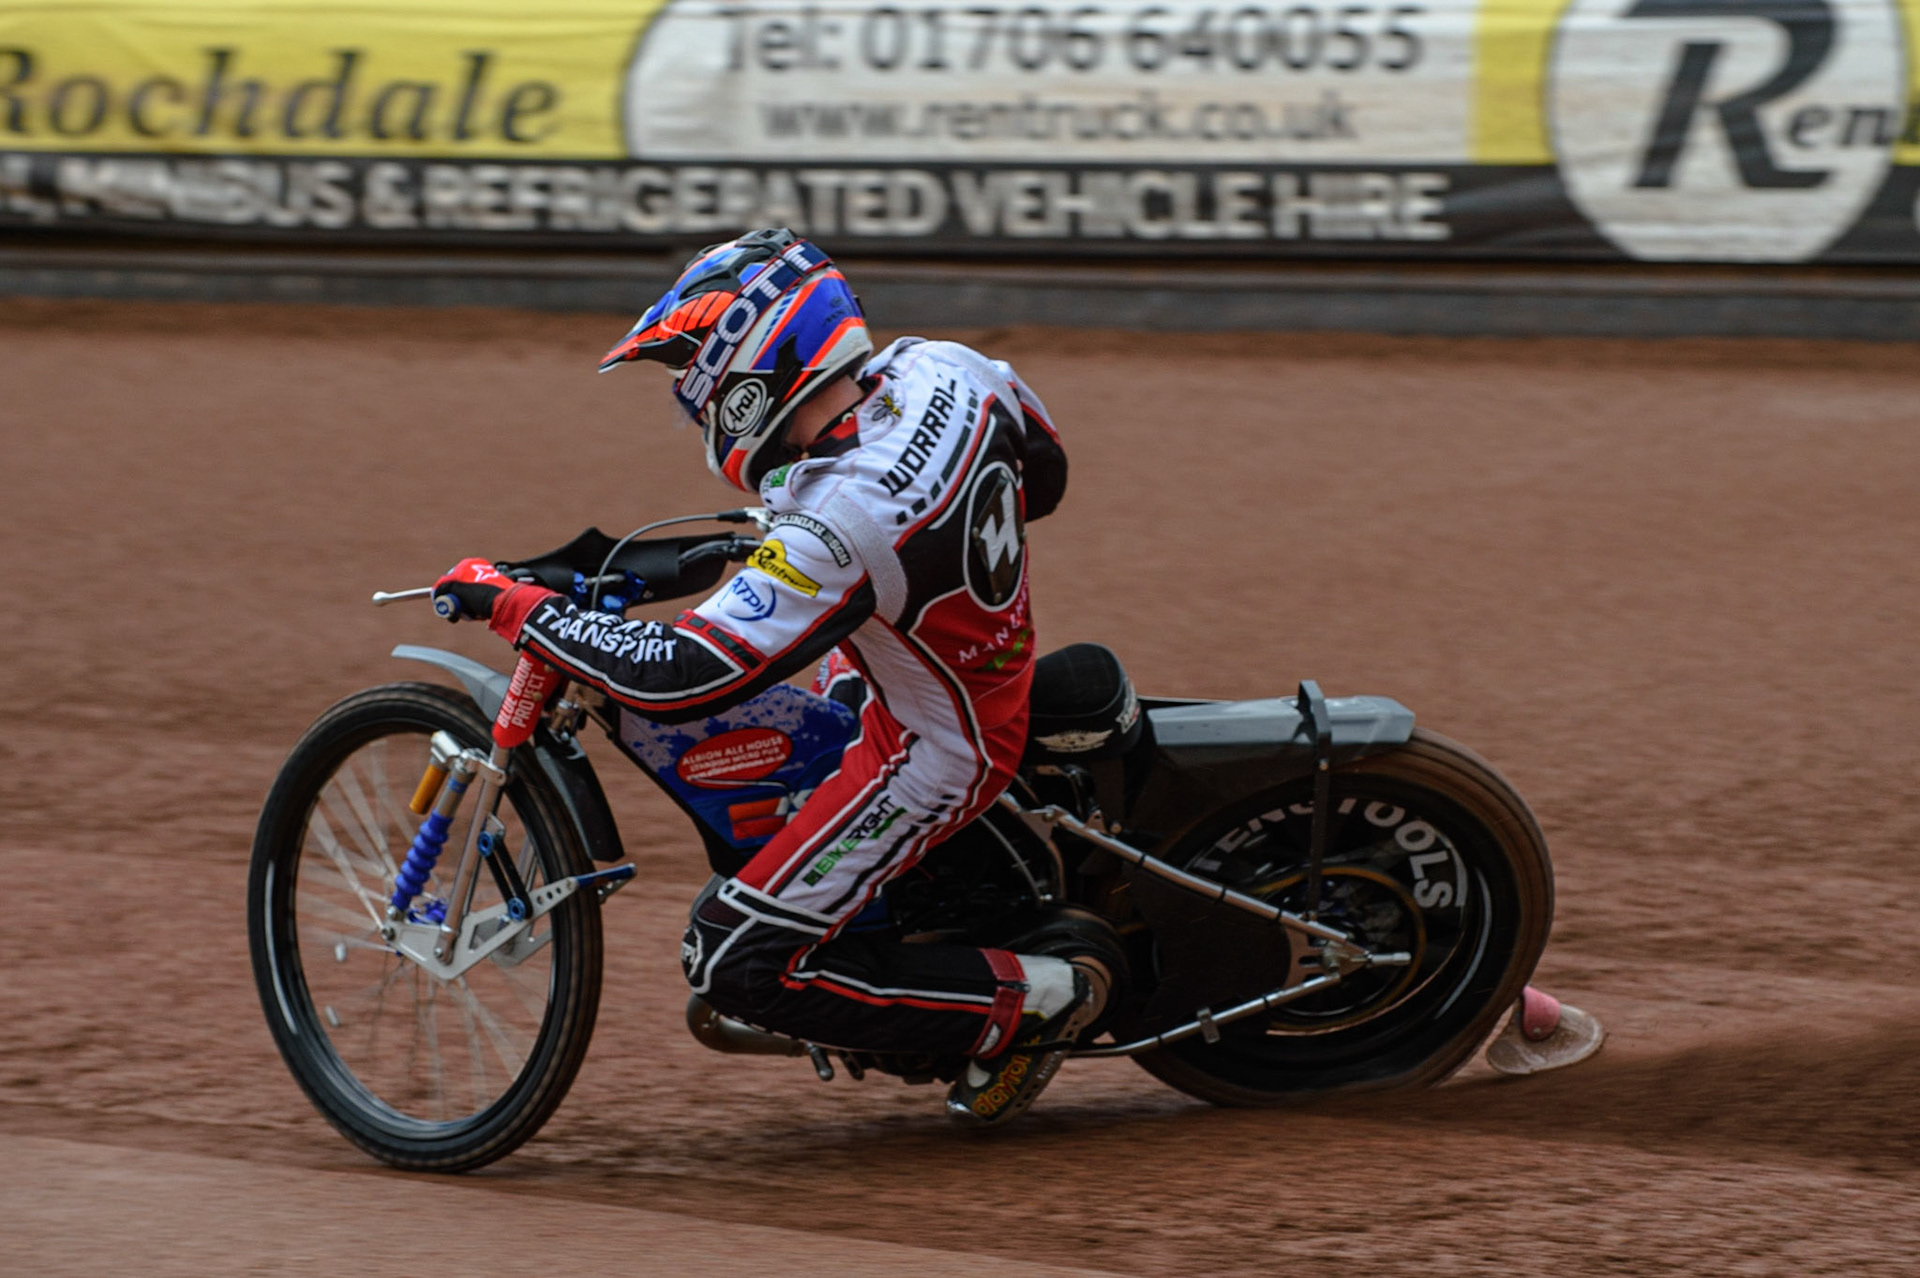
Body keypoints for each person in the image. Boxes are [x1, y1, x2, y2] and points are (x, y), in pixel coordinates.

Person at [430, 228, 1095, 1127]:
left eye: (694, 384)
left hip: (941, 745)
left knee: (730, 959)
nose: (692, 409)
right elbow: (1043, 468)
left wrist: (524, 610)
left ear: (752, 369)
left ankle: (1034, 1003)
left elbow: (685, 675)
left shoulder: (845, 518)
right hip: (948, 655)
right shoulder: (940, 367)